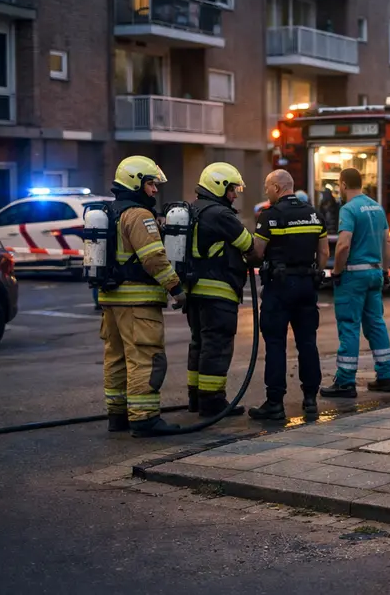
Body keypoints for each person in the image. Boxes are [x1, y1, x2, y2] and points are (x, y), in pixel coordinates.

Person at [99, 155, 186, 437]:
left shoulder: (110, 212)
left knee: (116, 358)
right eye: (150, 183)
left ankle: (118, 415)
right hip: (138, 302)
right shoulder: (139, 215)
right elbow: (154, 259)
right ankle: (144, 418)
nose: (154, 190)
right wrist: (176, 288)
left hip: (112, 300)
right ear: (136, 183)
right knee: (145, 358)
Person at [247, 170, 329, 420]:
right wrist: (316, 271)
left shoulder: (270, 215)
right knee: (307, 343)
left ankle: (275, 403)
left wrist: (246, 257)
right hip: (306, 285)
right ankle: (310, 400)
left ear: (276, 187)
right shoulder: (314, 214)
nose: (265, 192)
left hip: (280, 287)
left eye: (266, 187)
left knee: (275, 345)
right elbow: (324, 251)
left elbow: (258, 252)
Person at [185, 162, 254, 418]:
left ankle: (195, 397)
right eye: (232, 189)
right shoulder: (220, 214)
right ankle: (212, 402)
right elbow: (248, 244)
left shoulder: (193, 210)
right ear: (219, 186)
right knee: (217, 346)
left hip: (195, 292)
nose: (235, 195)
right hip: (218, 293)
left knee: (199, 344)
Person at [320, 168, 390, 398]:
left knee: (349, 325)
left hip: (353, 276)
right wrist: (385, 270)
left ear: (342, 185)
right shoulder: (376, 207)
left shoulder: (348, 209)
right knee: (376, 324)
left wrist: (337, 271)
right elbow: (386, 243)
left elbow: (343, 245)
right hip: (374, 273)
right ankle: (385, 376)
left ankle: (345, 381)